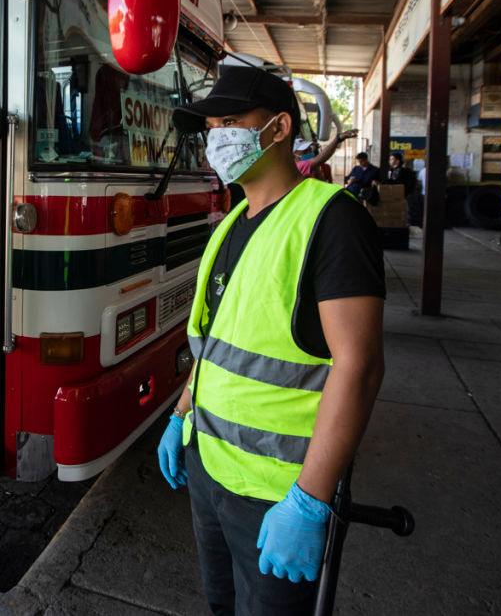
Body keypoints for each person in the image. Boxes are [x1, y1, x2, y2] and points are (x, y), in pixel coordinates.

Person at [157, 66, 385, 615]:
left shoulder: (331, 219)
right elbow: (215, 345)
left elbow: (360, 366)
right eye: (211, 126)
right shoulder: (232, 222)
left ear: (279, 128)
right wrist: (180, 415)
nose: (217, 140)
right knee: (223, 605)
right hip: (209, 470)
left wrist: (310, 498)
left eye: (230, 122)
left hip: (277, 493)